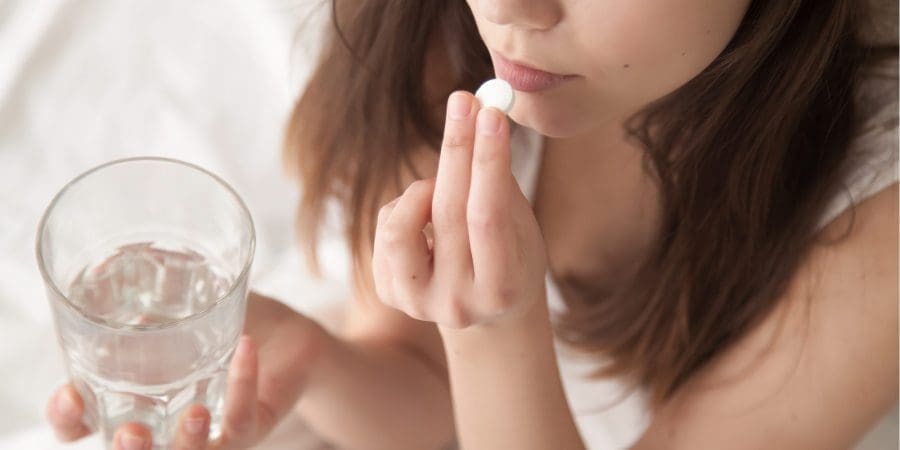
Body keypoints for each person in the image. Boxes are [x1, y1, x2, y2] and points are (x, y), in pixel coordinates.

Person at [47, 0, 898, 449]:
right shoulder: (432, 29)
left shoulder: (878, 218)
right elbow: (425, 395)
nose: (510, 8)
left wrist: (498, 335)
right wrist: (318, 361)